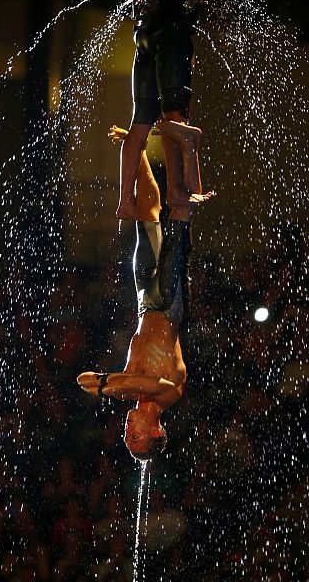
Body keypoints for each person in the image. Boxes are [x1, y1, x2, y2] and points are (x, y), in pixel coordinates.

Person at [117, 0, 251, 220]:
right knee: (176, 115)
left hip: (145, 28)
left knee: (139, 123)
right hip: (173, 28)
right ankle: (185, 188)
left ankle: (125, 201)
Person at [78, 125, 192, 461]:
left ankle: (137, 144)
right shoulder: (170, 395)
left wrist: (107, 385)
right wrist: (109, 385)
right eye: (135, 436)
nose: (127, 431)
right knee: (178, 220)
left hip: (146, 302)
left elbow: (82, 380)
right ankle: (185, 149)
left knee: (147, 216)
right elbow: (142, 385)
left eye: (127, 437)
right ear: (156, 430)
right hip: (169, 305)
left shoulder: (125, 392)